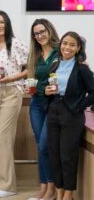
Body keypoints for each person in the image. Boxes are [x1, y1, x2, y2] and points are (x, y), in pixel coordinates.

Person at [45, 32, 94, 200]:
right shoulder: (54, 65)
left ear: (78, 48)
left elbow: (93, 92)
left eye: (72, 45)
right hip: (53, 112)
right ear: (60, 44)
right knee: (54, 154)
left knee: (67, 156)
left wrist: (80, 106)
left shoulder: (82, 68)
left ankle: (68, 194)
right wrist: (46, 92)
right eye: (65, 43)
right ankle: (59, 192)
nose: (67, 47)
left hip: (72, 115)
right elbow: (48, 89)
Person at [0, 10, 29, 198]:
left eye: (2, 22)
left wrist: (12, 77)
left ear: (7, 23)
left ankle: (7, 186)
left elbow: (30, 68)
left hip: (12, 91)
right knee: (4, 137)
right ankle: (1, 177)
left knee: (1, 137)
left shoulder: (17, 44)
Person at [26, 18, 60, 200]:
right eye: (36, 33)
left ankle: (51, 189)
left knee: (46, 145)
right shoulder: (35, 54)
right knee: (41, 146)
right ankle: (44, 186)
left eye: (42, 31)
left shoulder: (59, 51)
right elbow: (34, 80)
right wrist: (29, 87)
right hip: (36, 104)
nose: (40, 36)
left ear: (49, 30)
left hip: (54, 105)